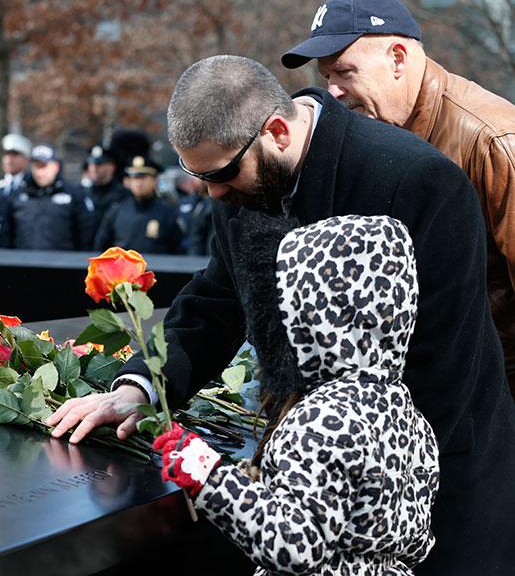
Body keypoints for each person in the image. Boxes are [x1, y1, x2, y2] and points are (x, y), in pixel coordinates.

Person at [46, 56, 515, 575]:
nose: (215, 194)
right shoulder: (243, 174)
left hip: (433, 488)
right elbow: (215, 301)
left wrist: (331, 487)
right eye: (197, 176)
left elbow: (444, 363)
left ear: (275, 131)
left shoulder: (417, 180)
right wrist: (139, 387)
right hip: (313, 483)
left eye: (222, 174)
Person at [155, 214, 439, 574]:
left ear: (314, 316)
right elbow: (418, 540)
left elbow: (294, 546)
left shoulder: (323, 417)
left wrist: (208, 475)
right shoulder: (407, 413)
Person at [282, 0, 515, 395]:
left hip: (491, 397)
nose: (332, 90)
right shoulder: (366, 137)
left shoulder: (493, 139)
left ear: (397, 59)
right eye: (327, 77)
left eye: (345, 72)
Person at [4, 144, 96, 251]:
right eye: (36, 166)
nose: (40, 172)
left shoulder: (73, 194)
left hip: (63, 263)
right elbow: (6, 232)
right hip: (23, 263)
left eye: (44, 166)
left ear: (56, 167)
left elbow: (86, 233)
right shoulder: (18, 194)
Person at [94, 156, 183, 254]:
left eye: (143, 178)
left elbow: (178, 248)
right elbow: (101, 244)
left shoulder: (167, 212)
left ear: (154, 181)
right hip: (123, 268)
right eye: (135, 178)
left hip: (156, 268)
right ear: (129, 181)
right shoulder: (117, 210)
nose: (139, 183)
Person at [0, 133, 31, 248]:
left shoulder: (31, 185)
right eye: (6, 155)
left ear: (26, 159)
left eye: (15, 155)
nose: (9, 159)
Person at [83, 144, 129, 224]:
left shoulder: (123, 195)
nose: (94, 168)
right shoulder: (82, 193)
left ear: (112, 167)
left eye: (99, 164)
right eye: (91, 164)